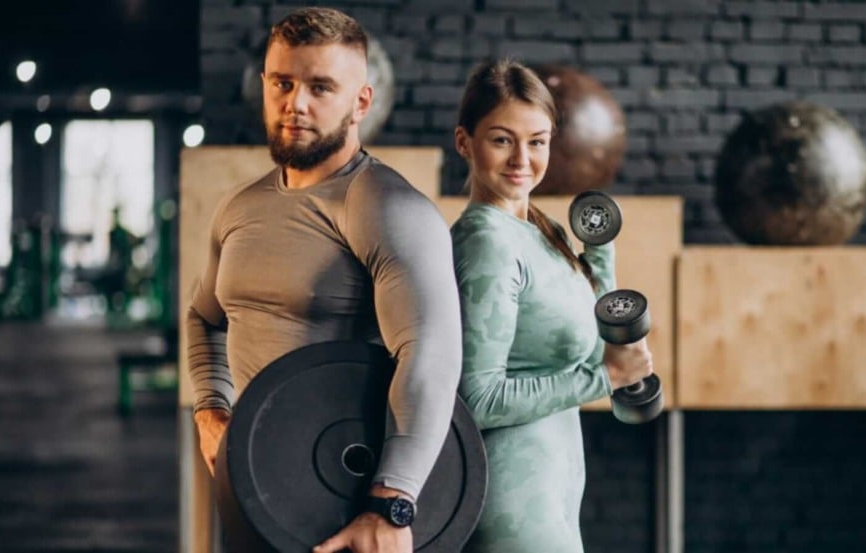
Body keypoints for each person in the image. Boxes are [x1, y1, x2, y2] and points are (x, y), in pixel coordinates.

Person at [185, 8, 462, 553]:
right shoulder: (240, 207)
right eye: (283, 83)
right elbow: (203, 316)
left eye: (320, 87)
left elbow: (432, 354)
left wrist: (391, 502)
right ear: (264, 85)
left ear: (361, 101)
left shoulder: (386, 206)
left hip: (349, 501)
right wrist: (210, 410)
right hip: (254, 486)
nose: (296, 103)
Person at [450, 59, 654, 552]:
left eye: (536, 141)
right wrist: (606, 379)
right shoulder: (487, 243)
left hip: (551, 499)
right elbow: (476, 400)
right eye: (502, 140)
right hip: (512, 507)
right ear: (464, 143)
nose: (522, 158)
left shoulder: (542, 231)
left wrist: (600, 254)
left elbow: (590, 348)